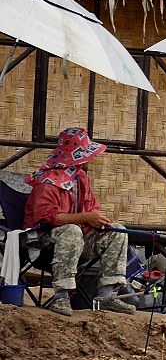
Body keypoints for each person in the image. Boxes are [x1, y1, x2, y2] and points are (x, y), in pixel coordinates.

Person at [23, 127, 136, 316]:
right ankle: (61, 297)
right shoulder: (47, 182)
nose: (90, 159)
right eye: (87, 155)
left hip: (78, 242)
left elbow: (92, 208)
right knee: (71, 231)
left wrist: (98, 221)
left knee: (117, 231)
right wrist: (84, 218)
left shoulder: (81, 178)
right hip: (43, 246)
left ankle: (106, 297)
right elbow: (47, 218)